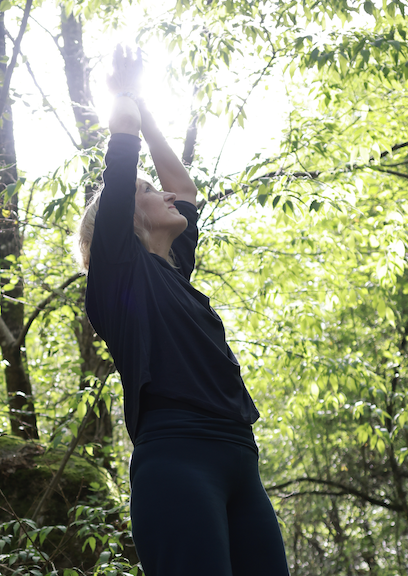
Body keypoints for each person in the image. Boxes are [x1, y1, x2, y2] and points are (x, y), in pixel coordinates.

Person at [77, 46, 291, 576]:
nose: (165, 194)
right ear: (125, 220)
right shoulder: (120, 272)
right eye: (147, 190)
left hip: (240, 458)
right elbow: (122, 151)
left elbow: (186, 189)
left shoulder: (172, 270)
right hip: (177, 459)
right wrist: (122, 91)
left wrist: (146, 107)